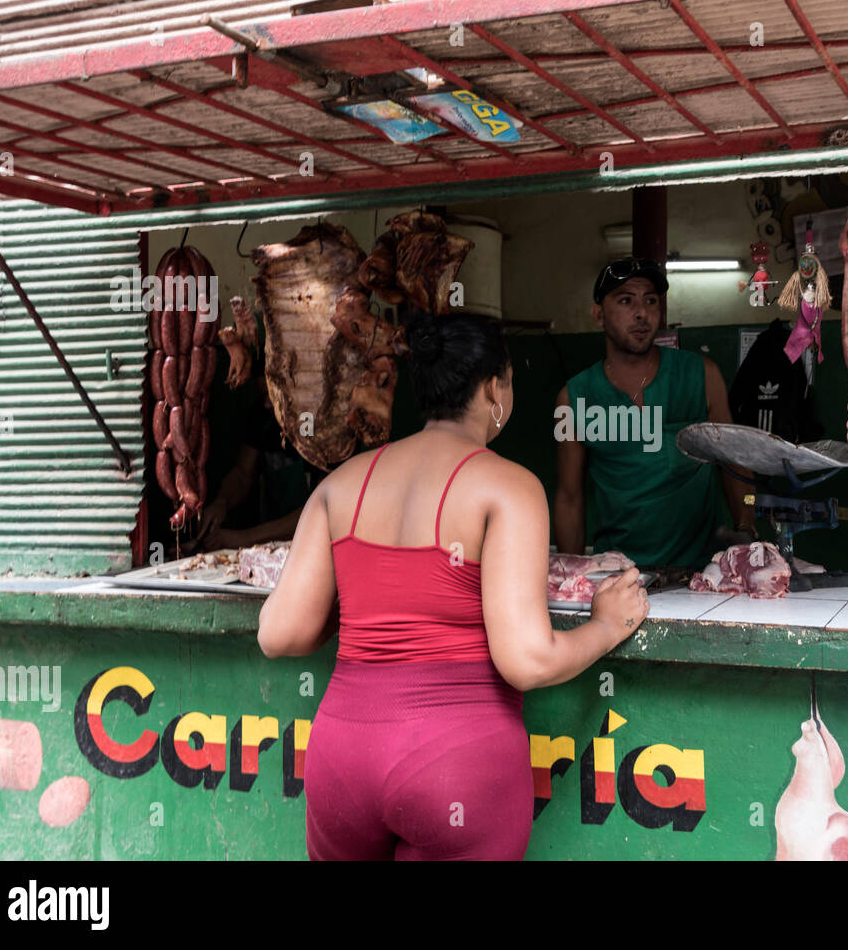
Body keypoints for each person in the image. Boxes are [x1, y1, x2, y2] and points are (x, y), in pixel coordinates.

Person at [257, 311, 650, 860]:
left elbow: (280, 635)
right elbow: (528, 660)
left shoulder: (339, 484)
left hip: (341, 760)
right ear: (495, 386)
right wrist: (607, 626)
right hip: (456, 764)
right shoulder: (508, 486)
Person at [553, 257, 755, 571]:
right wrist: (573, 575)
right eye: (625, 301)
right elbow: (569, 497)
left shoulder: (702, 376)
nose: (642, 313)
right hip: (618, 574)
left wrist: (746, 528)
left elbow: (735, 463)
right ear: (597, 314)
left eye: (650, 301)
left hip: (702, 571)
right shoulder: (573, 398)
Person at [197, 375, 322, 551]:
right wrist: (222, 501)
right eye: (263, 395)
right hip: (271, 548)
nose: (266, 404)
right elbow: (242, 475)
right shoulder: (263, 414)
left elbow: (317, 510)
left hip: (314, 546)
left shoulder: (316, 424)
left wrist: (243, 538)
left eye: (272, 396)